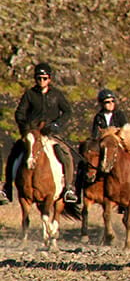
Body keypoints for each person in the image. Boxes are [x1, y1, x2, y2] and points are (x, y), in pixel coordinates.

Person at [0, 63, 77, 205]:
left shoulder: (57, 95)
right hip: (32, 133)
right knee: (14, 154)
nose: (41, 81)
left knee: (66, 154)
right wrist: (25, 128)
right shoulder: (29, 94)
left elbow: (67, 111)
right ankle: (7, 188)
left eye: (44, 78)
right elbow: (20, 113)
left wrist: (56, 125)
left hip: (50, 134)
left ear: (50, 79)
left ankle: (68, 188)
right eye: (38, 78)